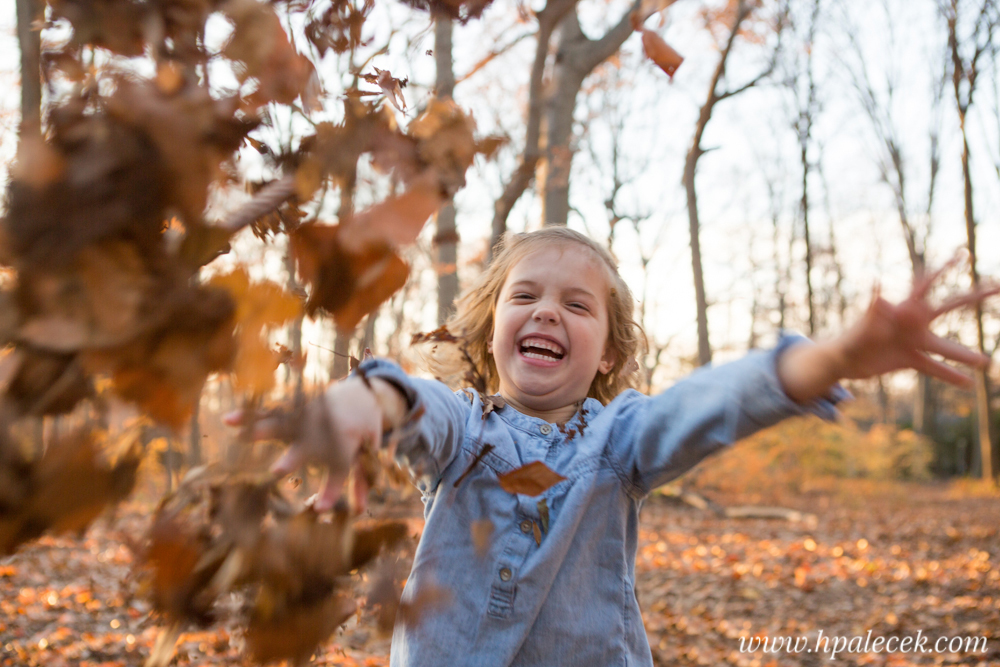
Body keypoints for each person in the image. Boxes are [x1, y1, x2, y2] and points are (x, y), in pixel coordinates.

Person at [256, 227, 994, 666]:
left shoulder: (619, 438)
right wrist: (364, 397)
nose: (548, 311)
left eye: (577, 305)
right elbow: (416, 407)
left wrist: (832, 357)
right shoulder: (465, 431)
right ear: (489, 331)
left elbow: (709, 406)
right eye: (525, 296)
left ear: (608, 353)